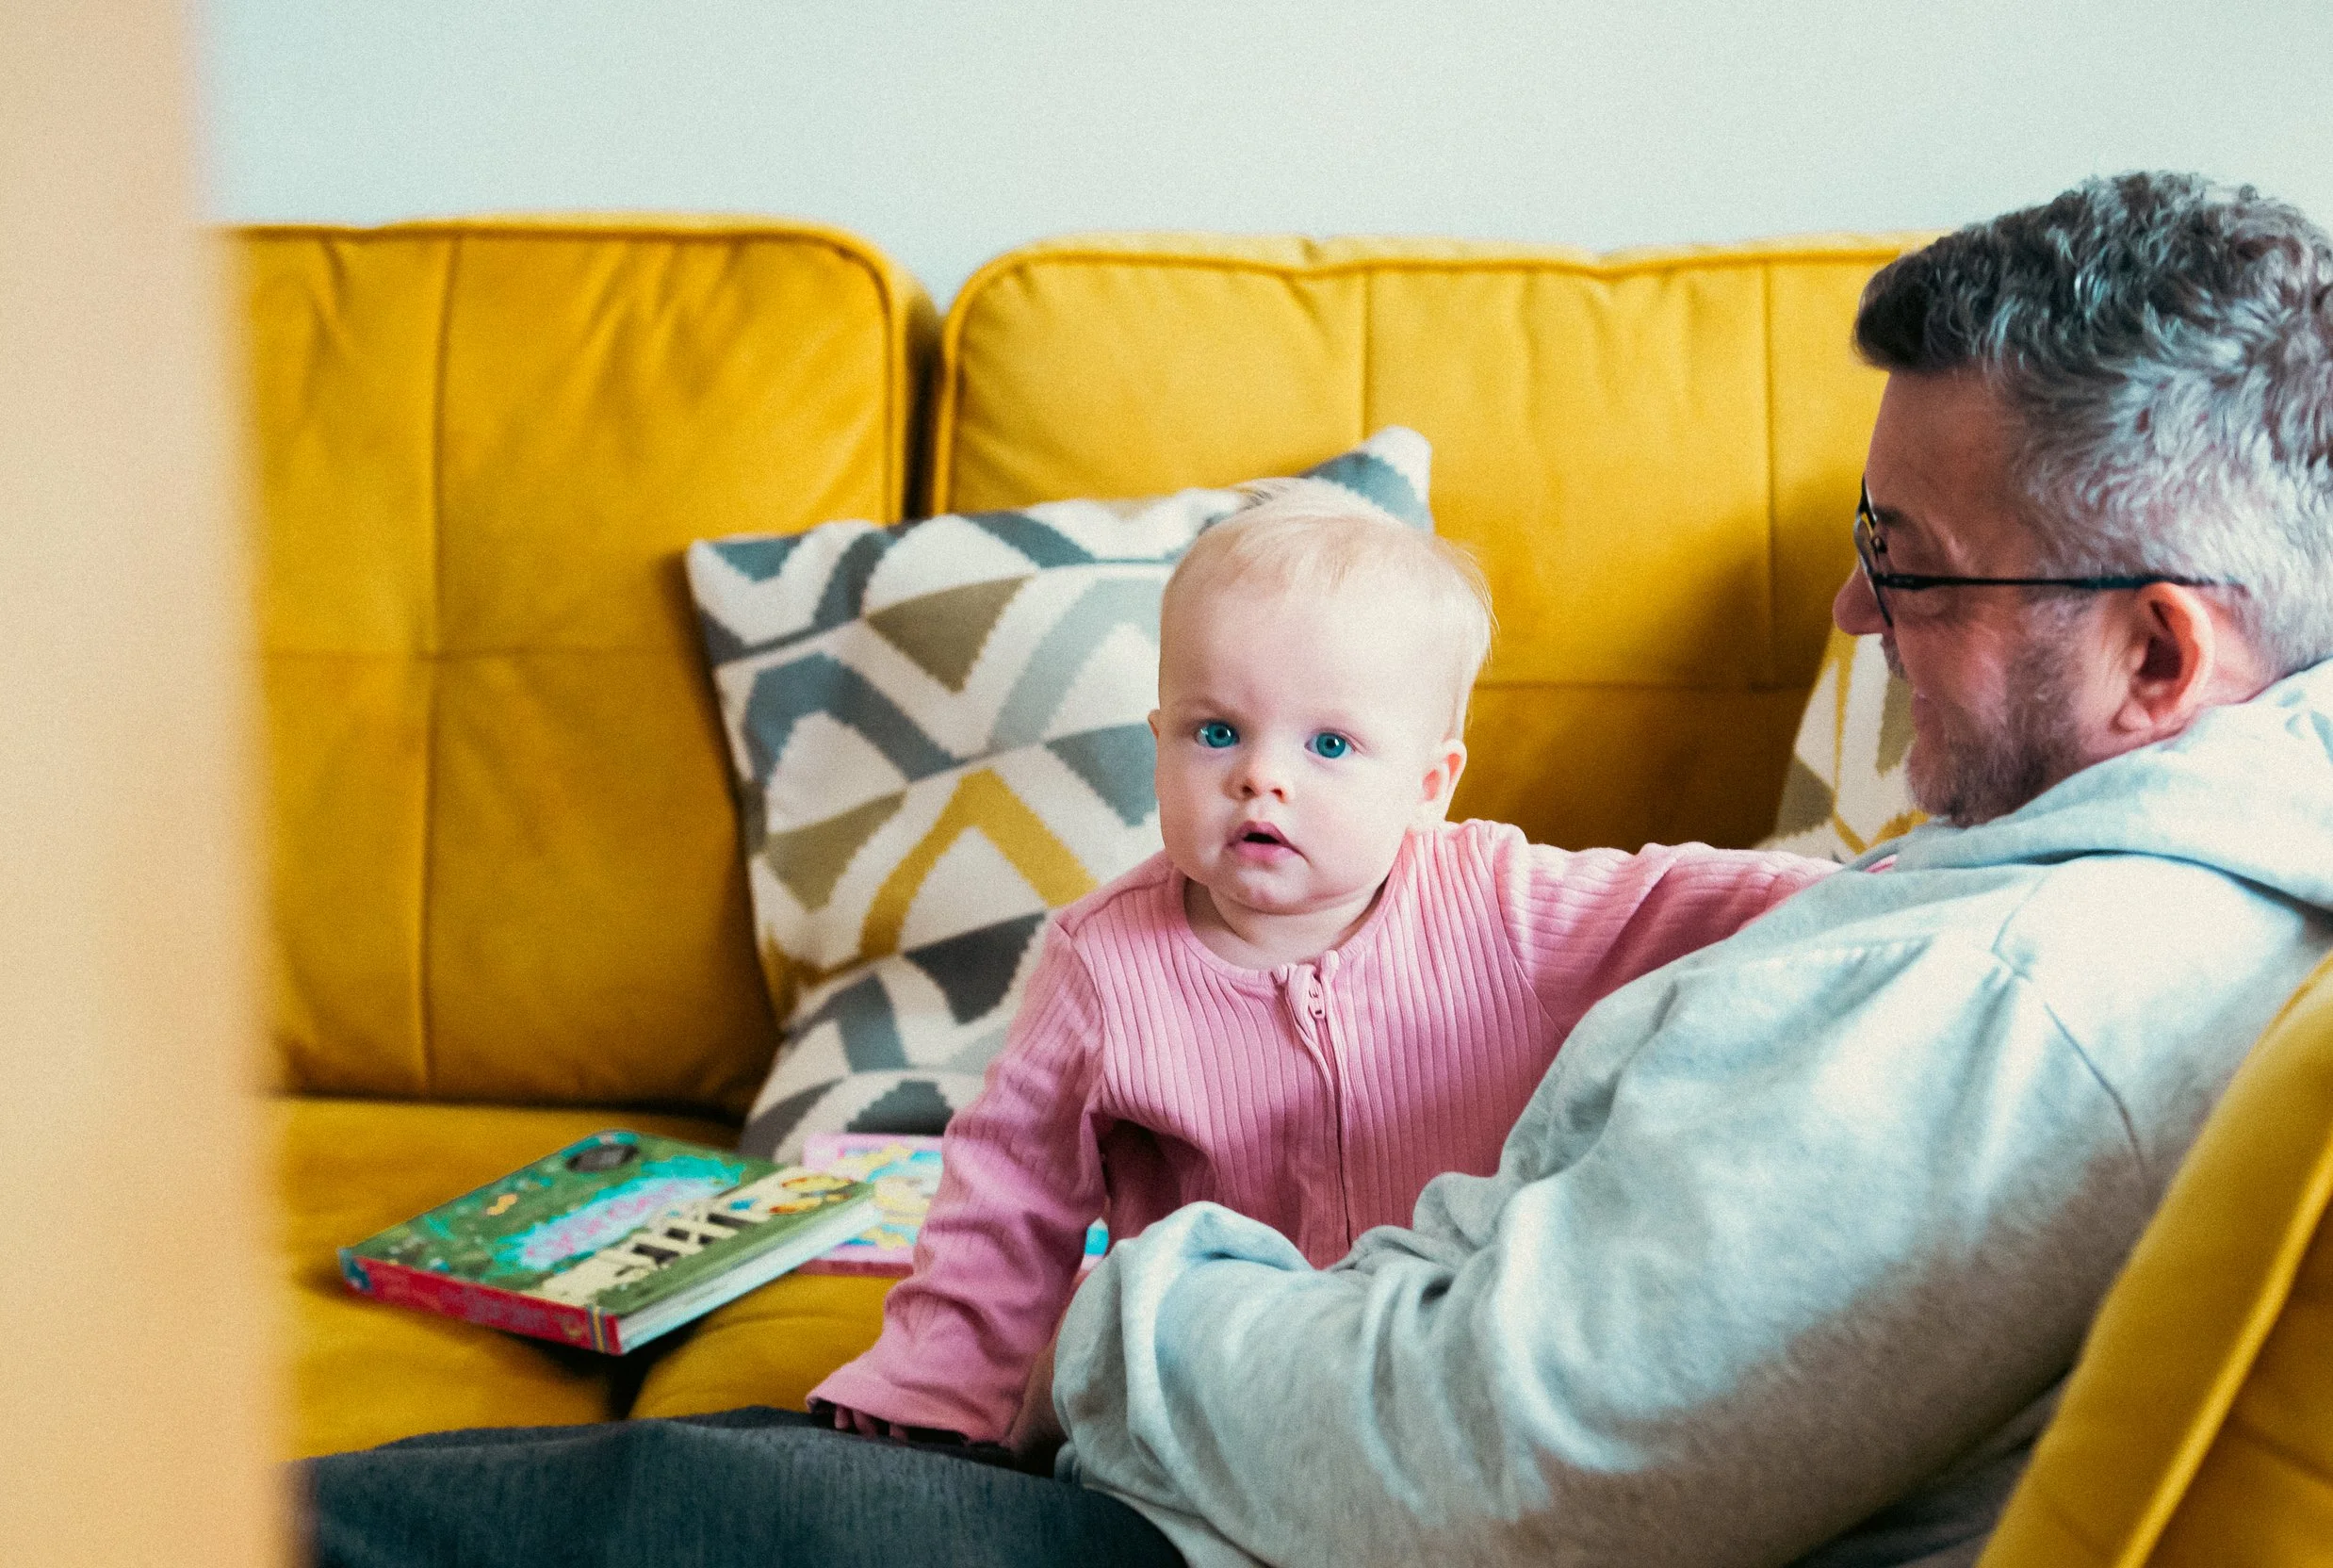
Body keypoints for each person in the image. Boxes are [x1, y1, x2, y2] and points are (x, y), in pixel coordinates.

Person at [307, 172, 2333, 1568]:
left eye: (1905, 560)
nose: (1846, 600)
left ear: (2156, 651)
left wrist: (1124, 1313)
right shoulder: (2121, 877)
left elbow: (1494, 1469)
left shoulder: (2026, 1008)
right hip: (1257, 1446)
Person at [810, 486, 1832, 1446]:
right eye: (1217, 732)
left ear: (1428, 784)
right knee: (1090, 1390)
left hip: (1450, 1358)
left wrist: (1876, 887)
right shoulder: (1103, 959)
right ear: (1156, 738)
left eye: (1330, 745)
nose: (1262, 775)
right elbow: (1006, 1190)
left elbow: (1682, 898)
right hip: (1214, 1389)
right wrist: (938, 1386)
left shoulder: (1500, 902)